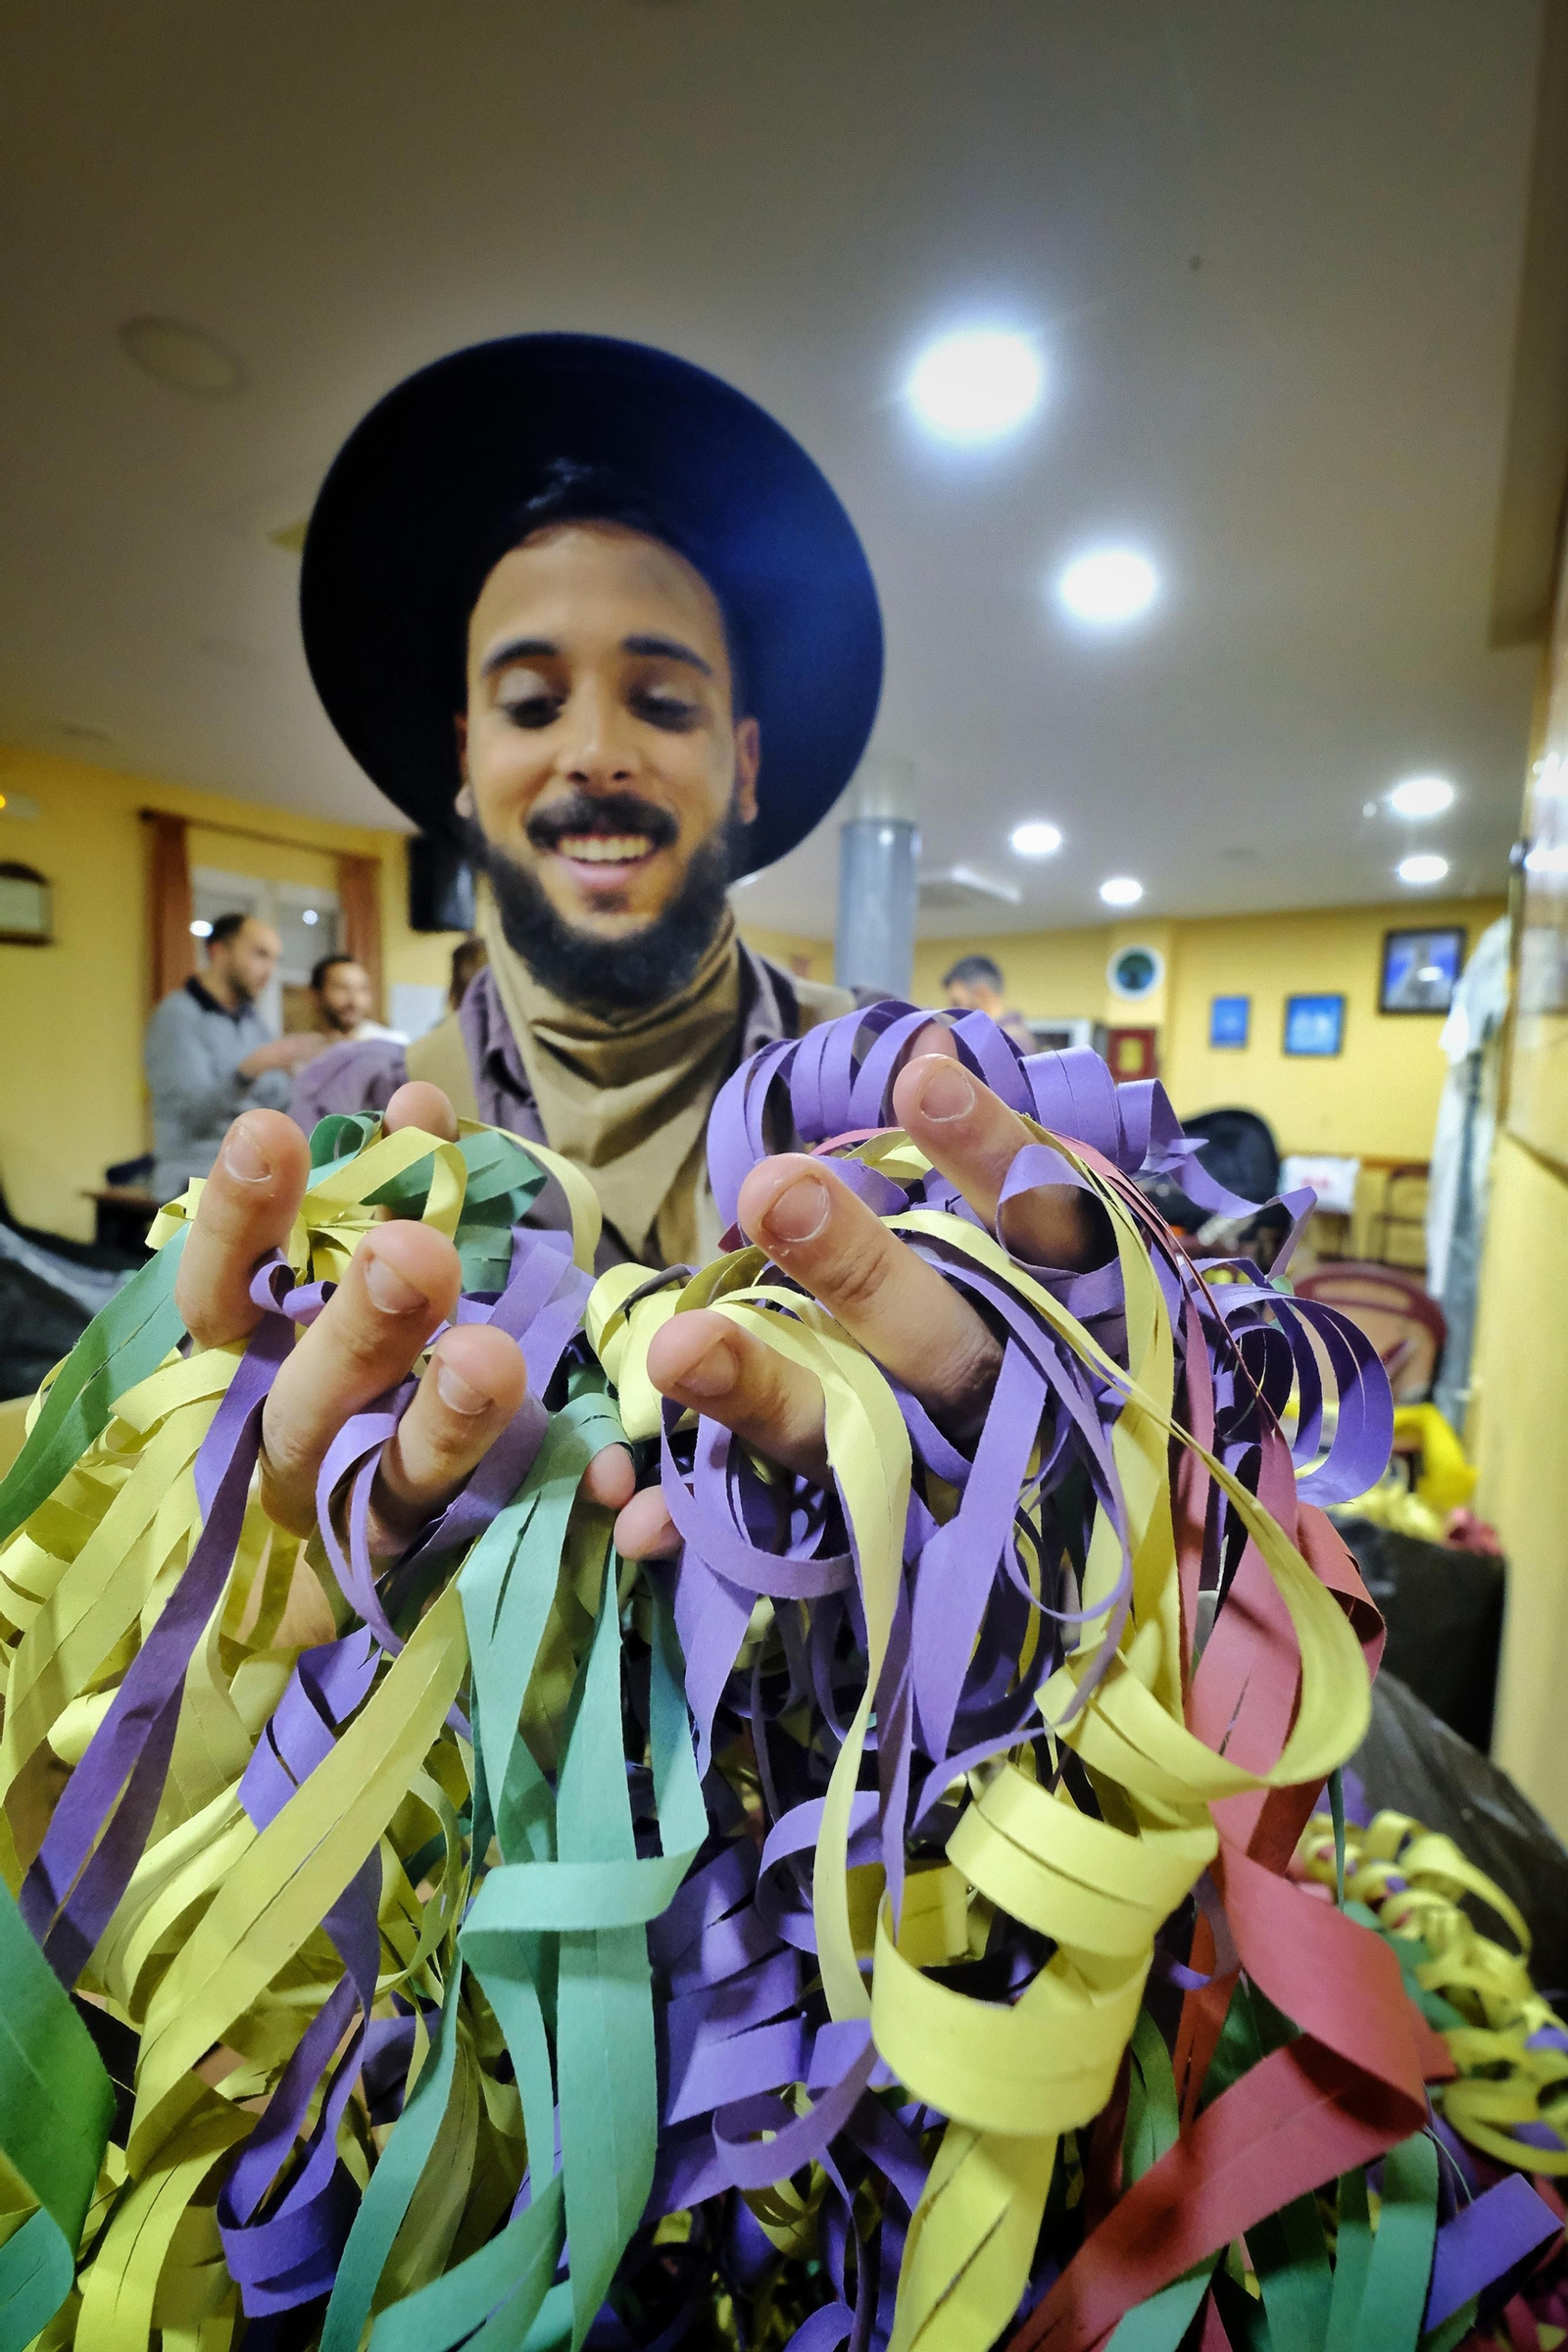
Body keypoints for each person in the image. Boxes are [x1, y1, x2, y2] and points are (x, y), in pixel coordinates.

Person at [188, 331, 1102, 1593]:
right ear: (466, 758)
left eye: (662, 703)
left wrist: (1041, 1438)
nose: (597, 753)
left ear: (745, 766)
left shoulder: (917, 1114)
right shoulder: (343, 1136)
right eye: (531, 702)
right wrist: (279, 1523)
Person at [143, 912, 322, 1203]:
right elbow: (192, 1115)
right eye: (260, 954)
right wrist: (250, 1069)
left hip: (256, 1172)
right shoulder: (177, 1016)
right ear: (219, 952)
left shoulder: (254, 1023)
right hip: (194, 1178)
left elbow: (278, 1101)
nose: (269, 970)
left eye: (275, 959)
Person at [942, 951, 1036, 1053]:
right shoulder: (1002, 1038)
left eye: (957, 1004)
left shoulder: (1008, 1043)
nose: (953, 1014)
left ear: (982, 995)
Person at [309, 952, 405, 1042]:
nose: (354, 1001)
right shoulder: (301, 1050)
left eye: (362, 989)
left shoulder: (390, 1044)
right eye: (342, 988)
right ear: (315, 995)